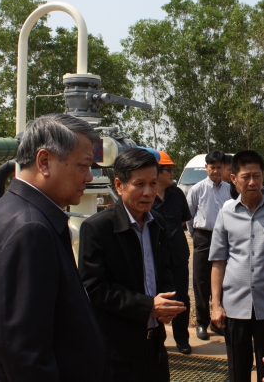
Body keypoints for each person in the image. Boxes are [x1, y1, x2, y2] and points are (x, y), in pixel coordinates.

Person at [0, 114, 105, 381]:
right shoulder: (31, 228)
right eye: (83, 166)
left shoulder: (11, 208)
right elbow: (24, 353)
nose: (89, 177)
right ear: (44, 162)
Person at [78, 148, 186, 382]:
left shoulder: (157, 222)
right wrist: (148, 306)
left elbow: (164, 269)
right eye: (139, 184)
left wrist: (167, 302)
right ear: (119, 185)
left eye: (153, 183)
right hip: (117, 352)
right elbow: (94, 288)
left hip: (155, 347)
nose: (148, 192)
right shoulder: (97, 228)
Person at [209, 150, 264, 382]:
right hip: (234, 305)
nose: (252, 182)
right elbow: (218, 261)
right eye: (246, 177)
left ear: (263, 176)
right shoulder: (226, 213)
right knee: (237, 369)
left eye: (257, 176)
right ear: (234, 178)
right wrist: (216, 304)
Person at [186, 150, 231, 339]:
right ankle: (202, 323)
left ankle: (217, 322)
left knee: (223, 280)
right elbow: (188, 216)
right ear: (206, 168)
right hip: (203, 237)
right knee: (201, 280)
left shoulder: (229, 190)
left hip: (225, 238)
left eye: (219, 167)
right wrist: (196, 235)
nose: (216, 171)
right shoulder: (197, 189)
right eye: (212, 167)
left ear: (224, 168)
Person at [152, 150, 193, 355]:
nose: (171, 173)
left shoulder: (177, 194)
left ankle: (182, 339)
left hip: (178, 255)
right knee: (156, 297)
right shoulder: (147, 195)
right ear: (157, 172)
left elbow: (183, 221)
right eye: (168, 169)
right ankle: (158, 339)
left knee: (181, 298)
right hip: (155, 257)